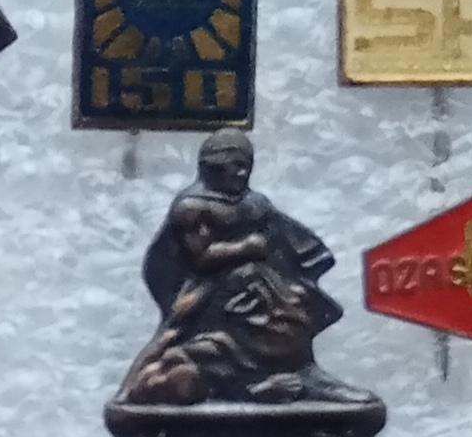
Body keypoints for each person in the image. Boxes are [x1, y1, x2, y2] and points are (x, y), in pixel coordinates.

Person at [117, 130, 363, 406]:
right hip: (210, 291)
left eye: (245, 165)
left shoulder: (253, 202)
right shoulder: (193, 207)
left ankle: (303, 373)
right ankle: (134, 393)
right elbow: (201, 258)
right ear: (211, 167)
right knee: (178, 339)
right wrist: (245, 247)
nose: (240, 173)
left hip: (262, 284)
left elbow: (281, 231)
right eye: (231, 166)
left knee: (298, 306)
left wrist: (307, 254)